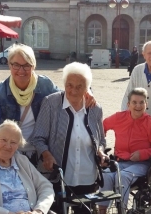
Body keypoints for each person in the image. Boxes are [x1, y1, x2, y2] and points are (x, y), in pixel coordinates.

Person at [0, 44, 95, 166]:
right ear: (9, 64)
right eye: (16, 65)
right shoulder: (0, 91)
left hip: (38, 152)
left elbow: (67, 94)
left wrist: (87, 92)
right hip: (12, 150)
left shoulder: (44, 85)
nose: (21, 70)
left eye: (27, 65)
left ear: (33, 66)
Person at [31, 62, 106, 214]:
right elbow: (38, 137)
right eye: (69, 85)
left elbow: (101, 141)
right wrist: (46, 154)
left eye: (80, 86)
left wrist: (101, 151)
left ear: (87, 89)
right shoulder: (51, 103)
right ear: (64, 85)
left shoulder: (95, 109)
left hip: (87, 178)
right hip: (58, 177)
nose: (73, 90)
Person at [0, 120, 54, 214]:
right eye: (4, 140)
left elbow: (46, 186)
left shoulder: (22, 161)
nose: (8, 146)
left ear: (18, 146)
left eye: (13, 142)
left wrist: (39, 211)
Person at [98, 88, 151, 214]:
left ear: (146, 104)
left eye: (141, 102)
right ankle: (102, 211)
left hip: (141, 164)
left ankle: (121, 210)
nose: (138, 106)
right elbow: (102, 127)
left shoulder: (150, 123)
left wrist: (142, 154)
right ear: (128, 104)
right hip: (119, 161)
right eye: (134, 102)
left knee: (122, 176)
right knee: (105, 175)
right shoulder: (119, 117)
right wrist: (101, 146)